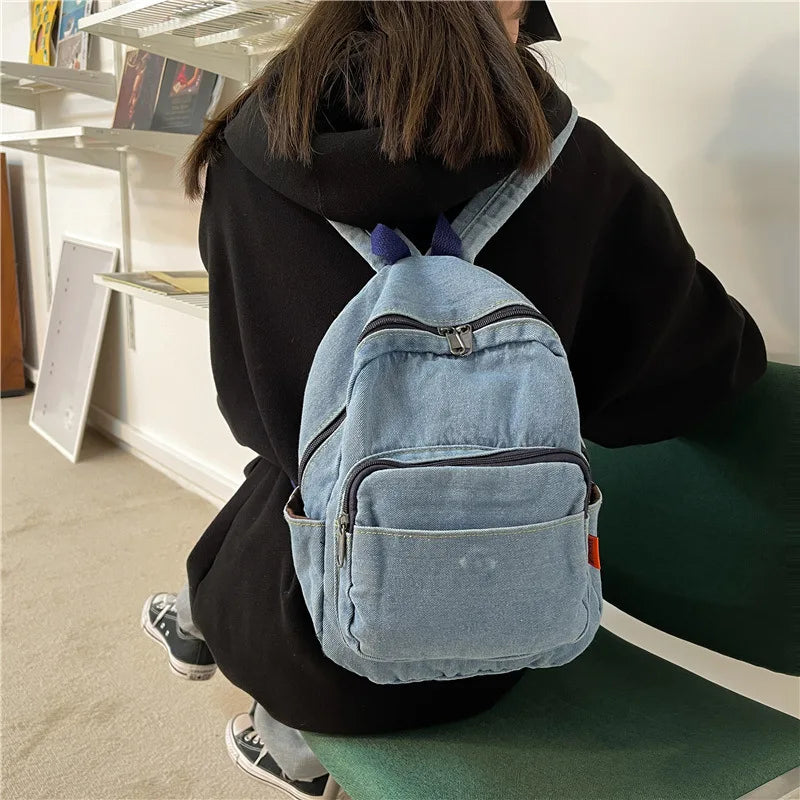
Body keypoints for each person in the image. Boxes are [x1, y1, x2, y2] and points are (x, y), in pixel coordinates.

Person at [141, 1, 767, 797]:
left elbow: (246, 411)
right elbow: (688, 382)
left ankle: (269, 711)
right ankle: (265, 705)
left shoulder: (245, 152)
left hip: (316, 627)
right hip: (502, 631)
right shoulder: (578, 166)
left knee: (270, 495)